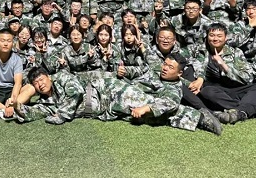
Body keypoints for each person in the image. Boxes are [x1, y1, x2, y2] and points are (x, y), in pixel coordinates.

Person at [84, 53, 221, 134]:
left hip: (129, 101)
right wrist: (126, 71)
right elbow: (139, 70)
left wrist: (146, 108)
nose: (165, 68)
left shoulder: (174, 88)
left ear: (179, 73)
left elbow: (170, 103)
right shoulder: (156, 69)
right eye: (165, 64)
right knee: (105, 76)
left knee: (156, 106)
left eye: (170, 67)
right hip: (122, 89)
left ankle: (202, 118)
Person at [190, 23, 256, 124]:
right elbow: (198, 67)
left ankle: (241, 111)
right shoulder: (201, 52)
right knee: (207, 92)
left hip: (237, 89)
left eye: (219, 36)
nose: (215, 39)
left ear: (226, 38)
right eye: (212, 35)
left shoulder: (236, 53)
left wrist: (224, 66)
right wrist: (200, 79)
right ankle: (249, 110)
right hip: (218, 92)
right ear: (207, 37)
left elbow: (247, 78)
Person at [13, 67, 85, 124]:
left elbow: (76, 92)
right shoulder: (44, 102)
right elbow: (34, 112)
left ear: (49, 77)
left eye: (41, 79)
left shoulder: (62, 77)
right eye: (36, 83)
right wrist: (17, 106)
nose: (40, 84)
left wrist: (61, 115)